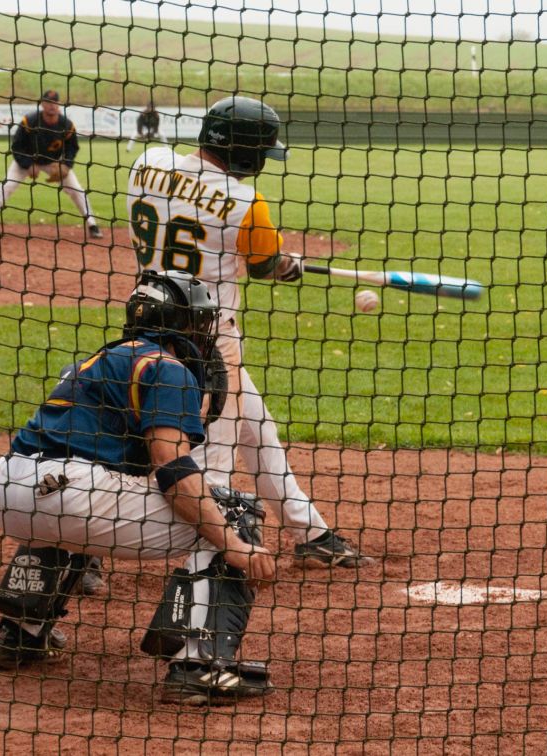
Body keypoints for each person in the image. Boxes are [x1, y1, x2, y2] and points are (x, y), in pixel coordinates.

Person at [0, 270, 277, 706]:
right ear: (183, 325)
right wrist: (234, 545)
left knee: (74, 509)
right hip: (74, 495)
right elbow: (174, 472)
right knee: (233, 511)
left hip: (8, 490)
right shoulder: (169, 368)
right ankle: (198, 666)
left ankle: (20, 633)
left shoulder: (97, 360)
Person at [125, 95, 369, 567]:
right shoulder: (245, 202)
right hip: (207, 343)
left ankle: (311, 533)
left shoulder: (147, 162)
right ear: (247, 152)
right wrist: (286, 266)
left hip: (144, 323)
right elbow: (263, 265)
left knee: (257, 431)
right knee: (212, 462)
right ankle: (205, 567)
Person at [0, 89, 103, 239]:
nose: (52, 105)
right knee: (6, 186)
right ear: (42, 104)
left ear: (59, 105)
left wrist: (66, 165)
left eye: (54, 102)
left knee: (76, 190)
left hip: (53, 163)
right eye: (48, 102)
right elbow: (16, 146)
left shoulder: (66, 125)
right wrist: (28, 164)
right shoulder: (29, 121)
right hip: (27, 159)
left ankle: (93, 225)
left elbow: (72, 148)